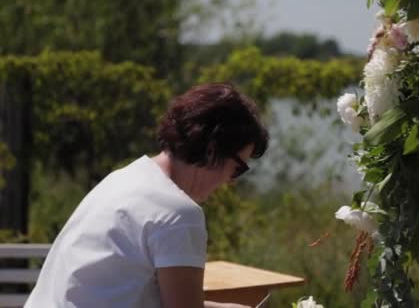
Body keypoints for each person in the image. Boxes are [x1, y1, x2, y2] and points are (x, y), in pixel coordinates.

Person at [25, 83, 269, 308]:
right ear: (213, 149)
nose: (231, 181)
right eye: (238, 168)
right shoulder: (179, 212)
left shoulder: (123, 179)